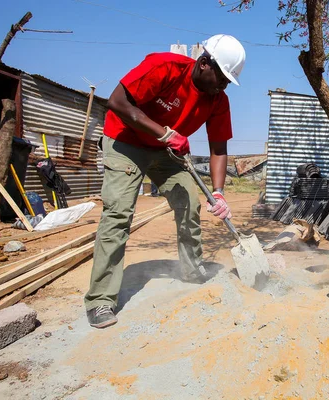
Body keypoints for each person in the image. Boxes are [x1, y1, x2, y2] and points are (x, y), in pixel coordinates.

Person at [84, 34, 246, 329]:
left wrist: (219, 192)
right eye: (221, 78)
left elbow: (219, 147)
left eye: (227, 82)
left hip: (163, 150)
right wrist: (166, 133)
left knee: (189, 202)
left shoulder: (218, 100)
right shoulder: (164, 67)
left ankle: (191, 270)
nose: (222, 87)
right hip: (125, 141)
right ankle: (100, 300)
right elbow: (117, 102)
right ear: (204, 63)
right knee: (119, 213)